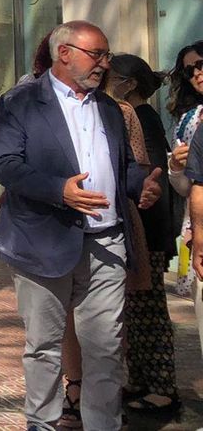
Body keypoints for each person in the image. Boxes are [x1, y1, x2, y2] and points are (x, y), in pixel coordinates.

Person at [0, 20, 159, 431]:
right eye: (96, 54)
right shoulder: (20, 102)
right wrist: (58, 190)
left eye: (107, 56)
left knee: (105, 347)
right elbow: (4, 163)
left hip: (106, 242)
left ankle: (104, 425)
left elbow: (119, 168)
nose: (105, 64)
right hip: (42, 242)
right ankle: (42, 424)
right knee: (44, 346)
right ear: (64, 53)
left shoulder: (110, 108)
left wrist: (141, 183)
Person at [106, 54, 180, 416]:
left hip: (148, 231)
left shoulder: (144, 119)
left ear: (129, 83)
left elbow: (149, 178)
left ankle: (163, 386)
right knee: (134, 312)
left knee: (149, 311)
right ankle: (140, 379)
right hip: (140, 230)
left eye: (113, 76)